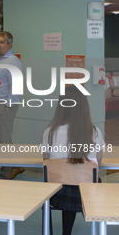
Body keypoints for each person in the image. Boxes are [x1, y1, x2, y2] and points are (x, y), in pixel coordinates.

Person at [41, 85, 105, 235]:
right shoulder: (94, 132)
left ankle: (66, 233)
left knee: (68, 185)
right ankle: (96, 224)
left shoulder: (49, 132)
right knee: (85, 185)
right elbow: (98, 163)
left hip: (58, 194)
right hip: (87, 192)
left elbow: (46, 161)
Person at [0, 31, 24, 179]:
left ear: (9, 44)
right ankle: (16, 166)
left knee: (3, 140)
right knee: (1, 139)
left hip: (5, 106)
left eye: (2, 42)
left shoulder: (13, 62)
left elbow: (17, 86)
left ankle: (5, 172)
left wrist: (7, 106)